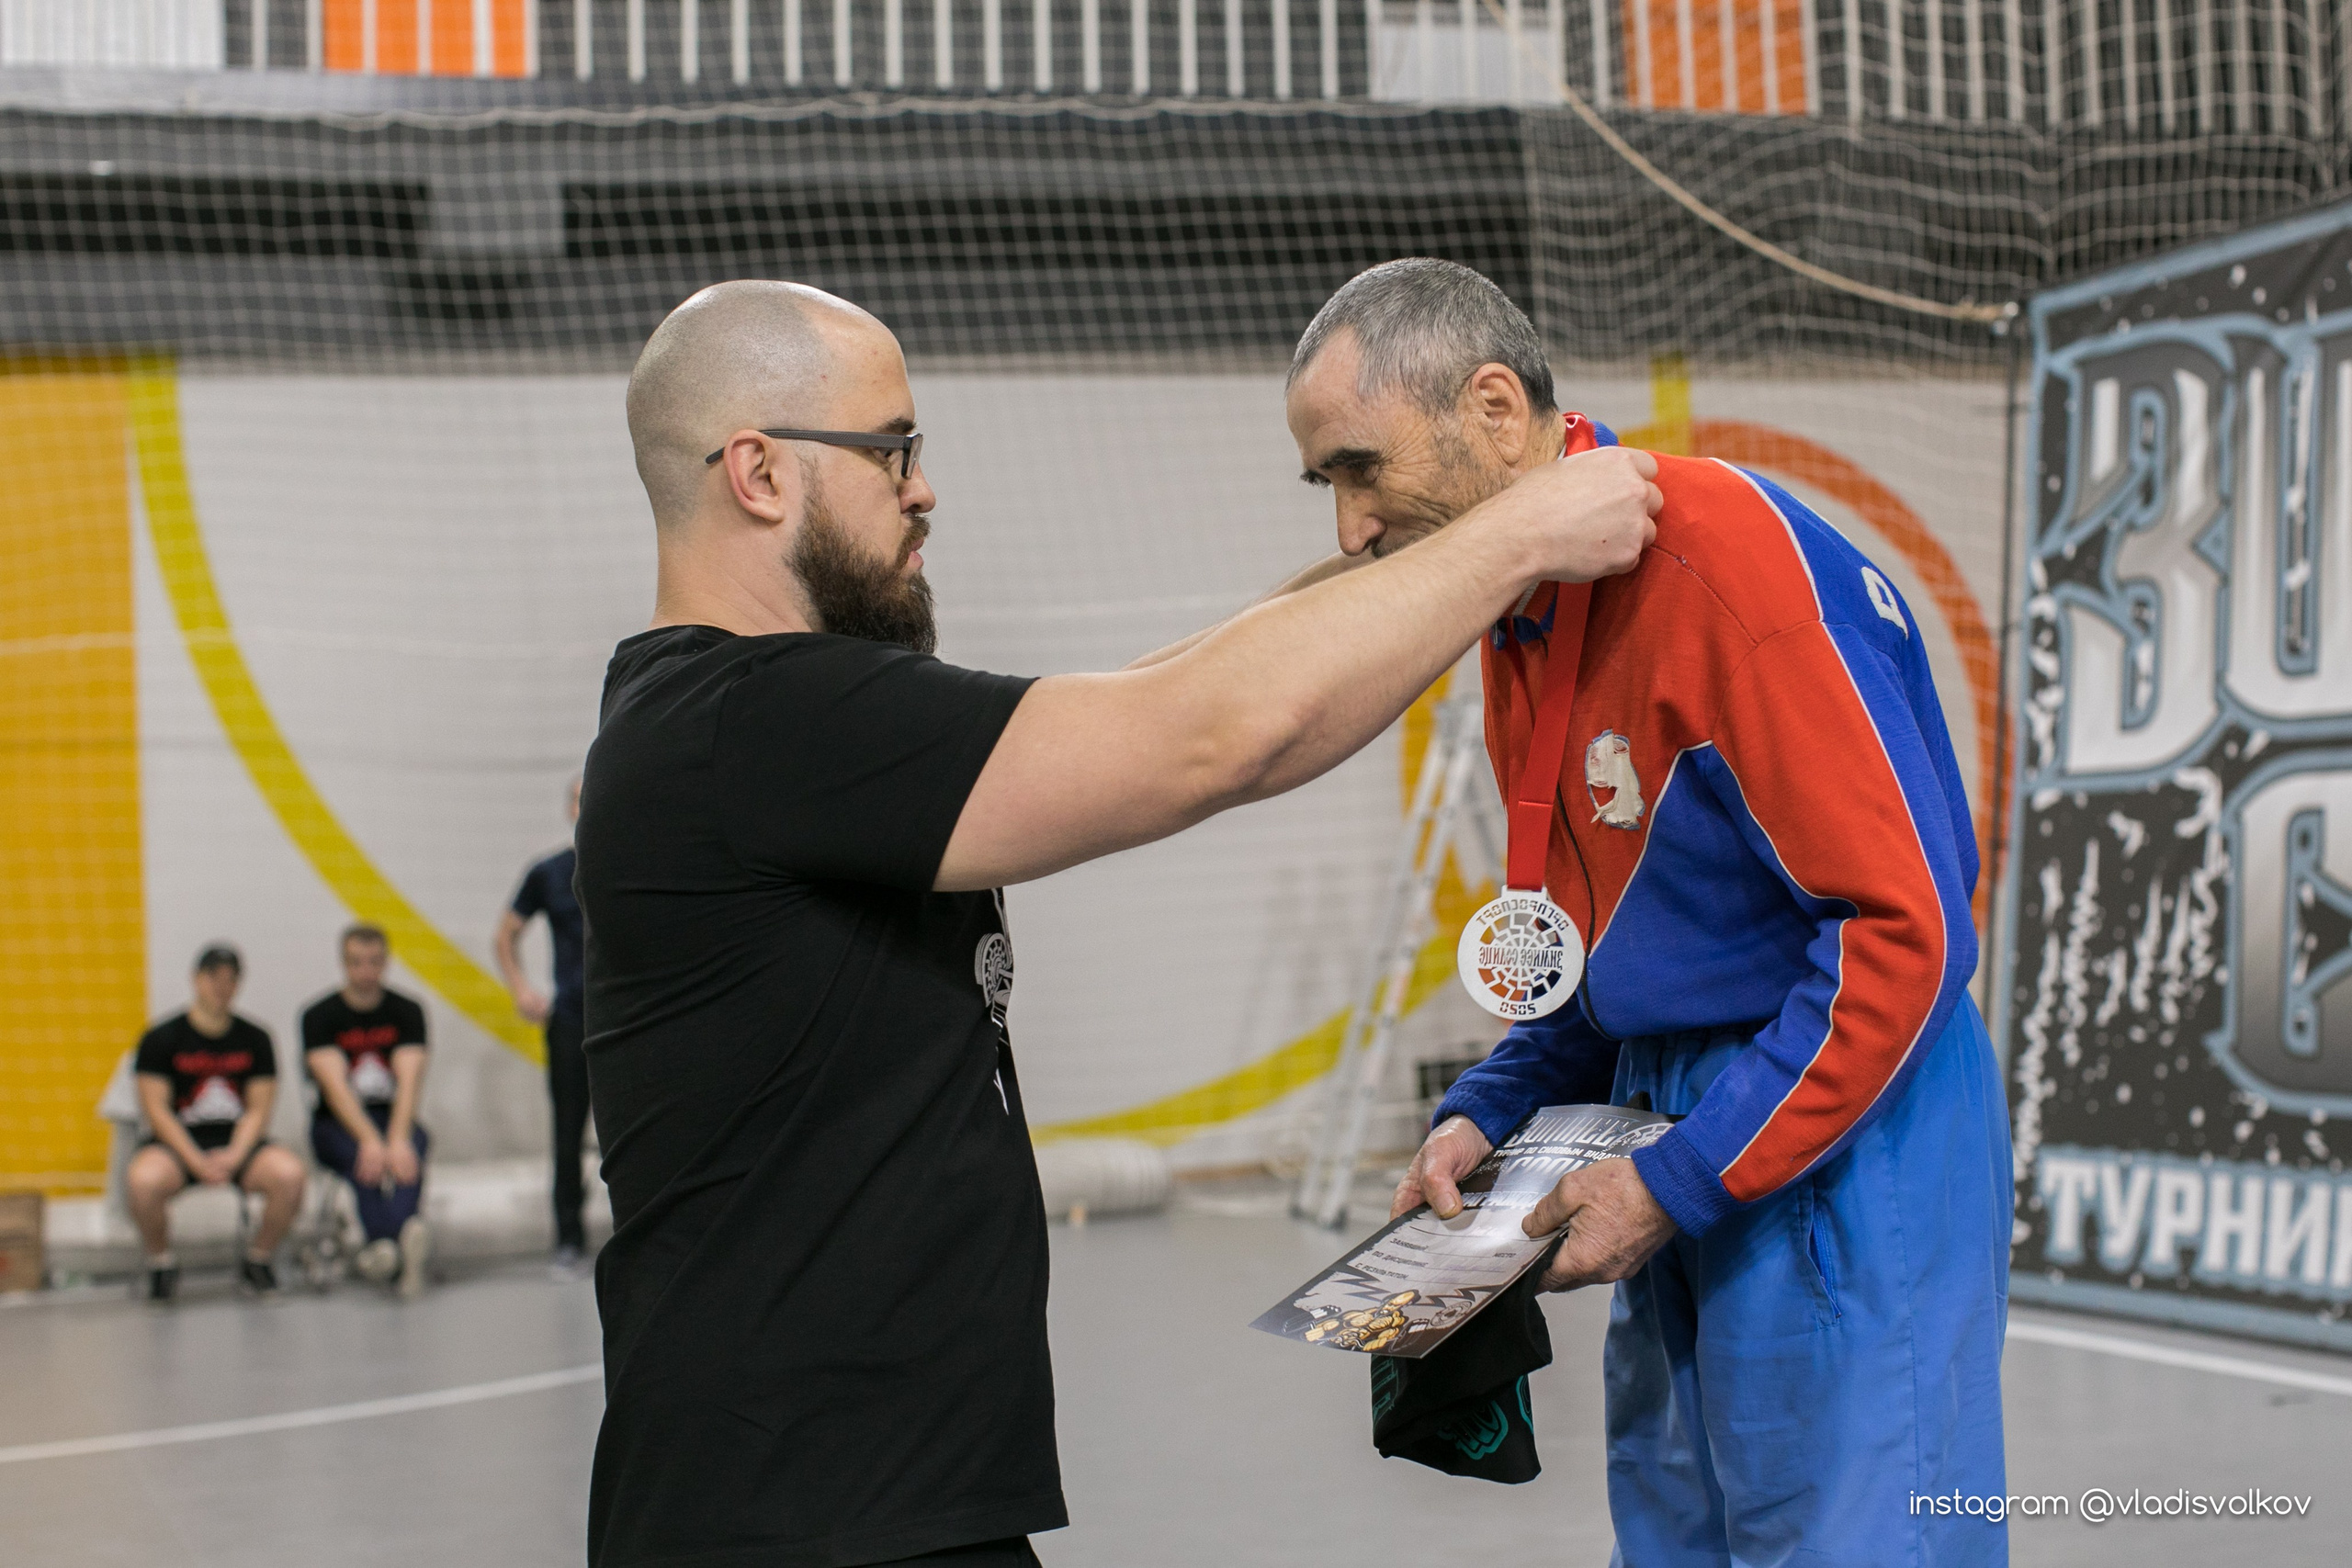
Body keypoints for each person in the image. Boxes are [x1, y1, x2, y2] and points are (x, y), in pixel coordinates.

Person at [575, 278, 1660, 1568]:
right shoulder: (749, 720)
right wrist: (1521, 531)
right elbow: (1209, 735)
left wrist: (1431, 532)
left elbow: (1164, 682)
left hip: (869, 1502)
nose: (922, 489)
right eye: (891, 451)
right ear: (758, 473)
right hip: (798, 1518)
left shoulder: (751, 718)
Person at [1287, 260, 2007, 1566]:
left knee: (1853, 1541)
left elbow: (1904, 933)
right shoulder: (1525, 613)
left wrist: (1680, 1174)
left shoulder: (1723, 568)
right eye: (1323, 484)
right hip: (1659, 1116)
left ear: (1493, 409)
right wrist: (1490, 1107)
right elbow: (1615, 949)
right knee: (1681, 1543)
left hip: (1838, 1123)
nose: (1348, 528)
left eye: (1360, 469)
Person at [125, 943, 308, 1302]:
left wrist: (235, 1155)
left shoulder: (255, 1038)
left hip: (237, 1143)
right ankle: (160, 1262)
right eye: (213, 978)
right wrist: (195, 1160)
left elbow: (258, 1109)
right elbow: (157, 1111)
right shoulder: (160, 1038)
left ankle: (258, 1259)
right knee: (142, 1180)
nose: (221, 988)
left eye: (229, 980)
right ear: (196, 979)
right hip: (179, 1145)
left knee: (290, 1175)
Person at [301, 923, 434, 1299]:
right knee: (364, 1159)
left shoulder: (406, 1010)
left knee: (414, 1146)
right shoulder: (319, 1015)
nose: (366, 971)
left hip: (391, 1116)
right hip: (338, 1122)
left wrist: (398, 1138)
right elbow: (335, 1089)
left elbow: (409, 1081)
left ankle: (385, 1249)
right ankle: (400, 1237)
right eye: (357, 962)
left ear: (385, 962)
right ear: (344, 963)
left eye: (374, 962)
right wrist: (371, 1140)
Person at [495, 777, 593, 1279]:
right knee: (568, 1132)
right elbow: (506, 934)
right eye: (579, 798)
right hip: (572, 1018)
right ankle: (569, 1239)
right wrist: (521, 988)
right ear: (569, 809)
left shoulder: (634, 864)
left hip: (628, 1019)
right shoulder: (550, 873)